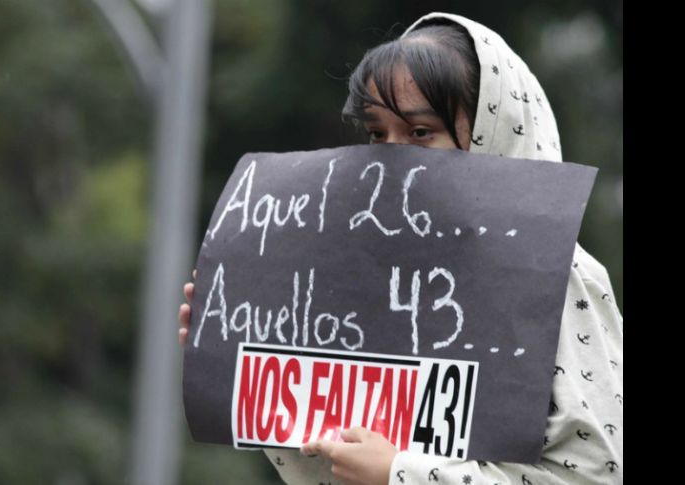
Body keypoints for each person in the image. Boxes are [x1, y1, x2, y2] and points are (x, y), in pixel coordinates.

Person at [179, 12, 623, 485]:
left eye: (419, 133)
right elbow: (327, 461)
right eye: (377, 133)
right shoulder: (364, 276)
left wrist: (400, 473)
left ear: (493, 132)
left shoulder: (559, 275)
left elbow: (599, 472)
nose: (392, 154)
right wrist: (237, 359)